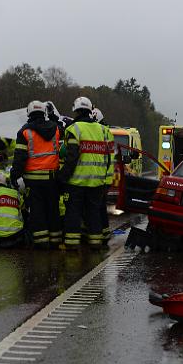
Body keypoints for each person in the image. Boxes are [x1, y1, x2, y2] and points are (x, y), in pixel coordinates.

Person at [57, 96, 112, 250]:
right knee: (93, 213)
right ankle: (95, 244)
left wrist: (62, 177)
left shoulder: (73, 129)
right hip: (97, 182)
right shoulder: (103, 130)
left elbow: (71, 157)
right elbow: (108, 158)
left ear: (76, 110)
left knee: (73, 213)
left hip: (77, 182)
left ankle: (72, 245)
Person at [11, 100, 62, 249]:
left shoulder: (24, 132)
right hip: (52, 179)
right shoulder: (56, 129)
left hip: (33, 181)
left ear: (29, 113)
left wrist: (14, 175)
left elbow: (19, 158)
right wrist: (53, 117)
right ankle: (55, 241)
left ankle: (41, 243)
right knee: (53, 210)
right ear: (44, 112)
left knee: (38, 212)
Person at [91, 108, 116, 244]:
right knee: (100, 207)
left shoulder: (103, 132)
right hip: (102, 178)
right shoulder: (106, 132)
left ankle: (101, 235)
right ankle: (104, 234)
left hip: (100, 178)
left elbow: (108, 159)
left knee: (98, 207)